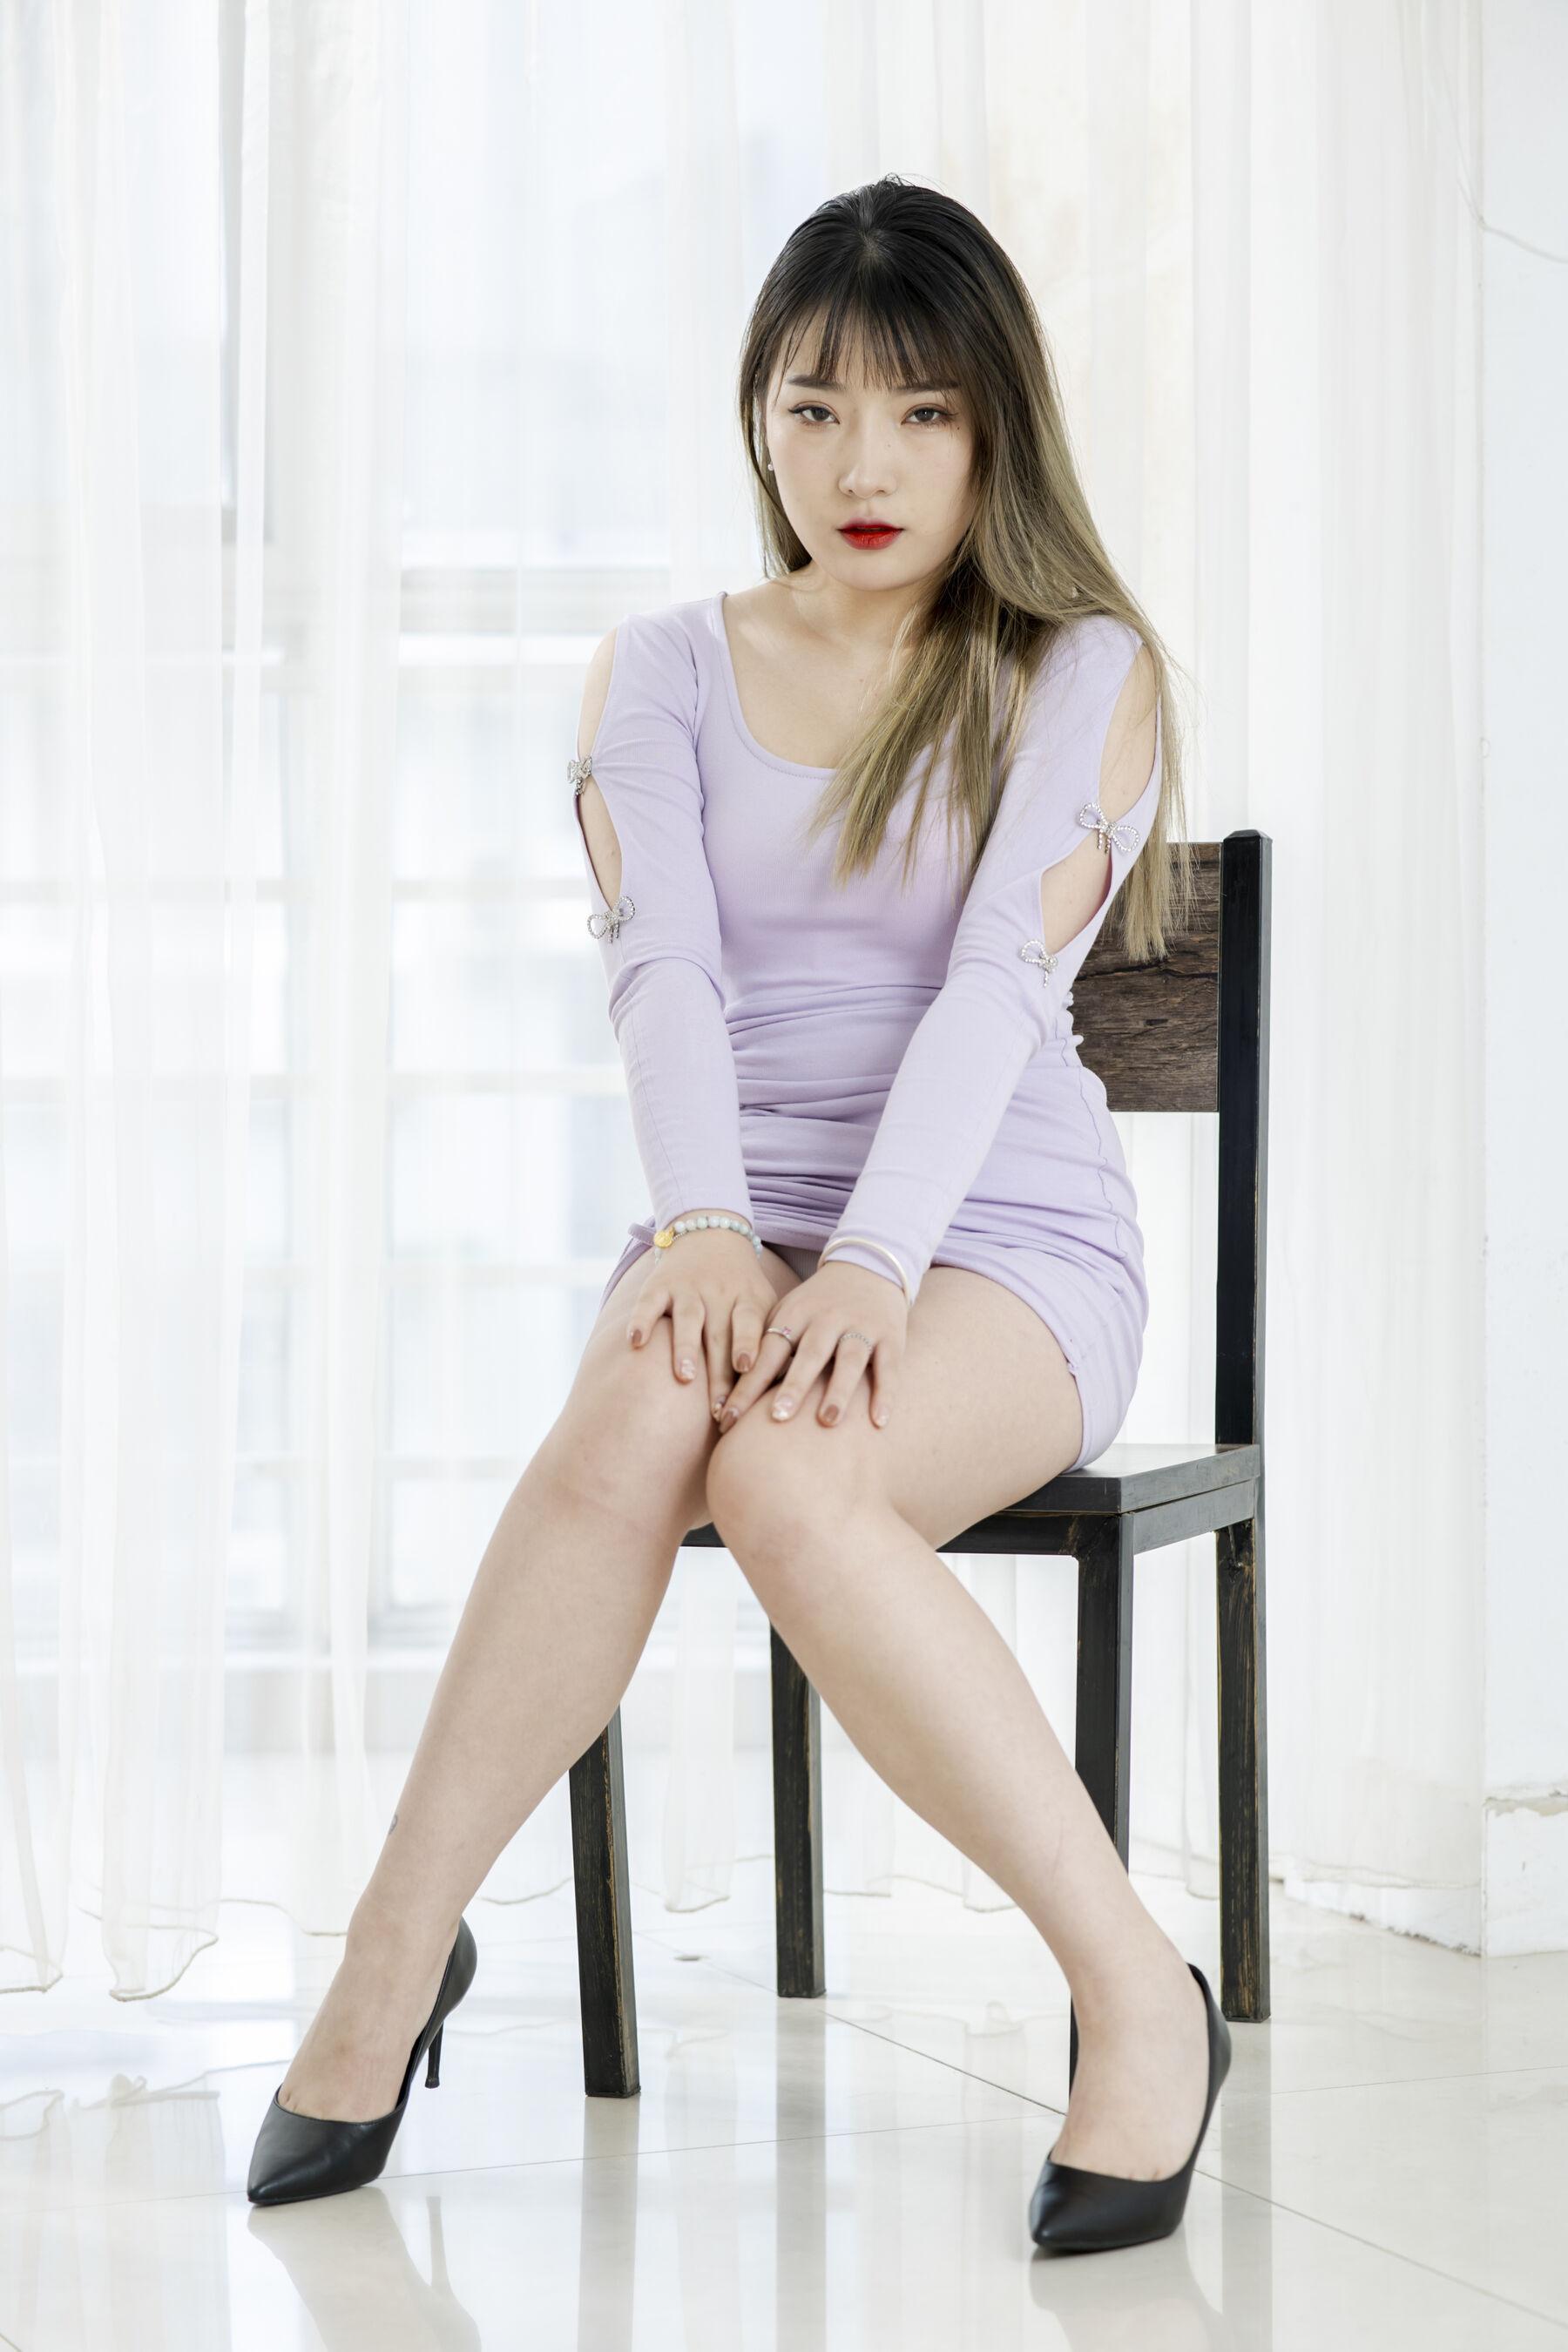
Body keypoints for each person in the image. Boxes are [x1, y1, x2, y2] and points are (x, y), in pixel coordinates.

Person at [249, 174, 1228, 2253]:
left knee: (788, 1475)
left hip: (1001, 1244)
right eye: (816, 408)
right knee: (633, 1421)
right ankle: (393, 1956)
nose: (865, 467)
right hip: (733, 1220)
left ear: (998, 427)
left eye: (925, 413)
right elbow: (667, 972)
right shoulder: (662, 668)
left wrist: (869, 1261)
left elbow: (998, 988)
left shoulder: (1078, 668)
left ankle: (1141, 1994)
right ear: (756, 418)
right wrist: (708, 1227)